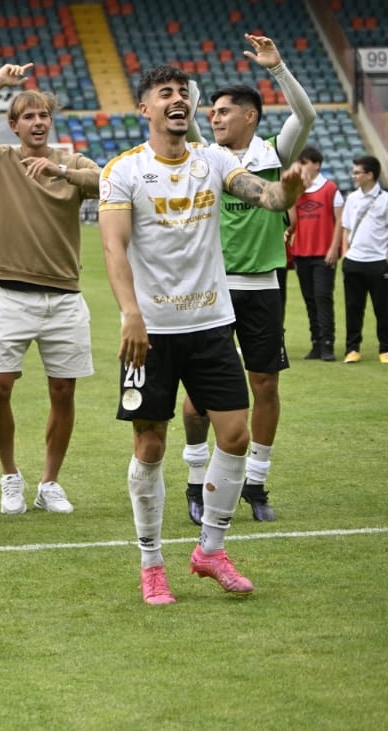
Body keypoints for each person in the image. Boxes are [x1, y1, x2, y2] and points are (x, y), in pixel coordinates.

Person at [98, 65, 301, 606]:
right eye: (164, 94)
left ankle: (210, 550)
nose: (178, 101)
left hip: (211, 325)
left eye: (182, 93)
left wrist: (287, 191)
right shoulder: (124, 171)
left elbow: (264, 196)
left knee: (234, 435)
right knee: (150, 444)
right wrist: (130, 314)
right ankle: (151, 564)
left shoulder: (214, 159)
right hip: (151, 334)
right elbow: (114, 248)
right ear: (144, 108)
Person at [0, 63, 100, 516]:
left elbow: (112, 181)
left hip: (66, 298)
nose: (37, 122)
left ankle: (50, 482)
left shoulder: (72, 163)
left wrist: (62, 172)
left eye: (42, 116)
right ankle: (10, 475)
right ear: (13, 126)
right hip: (13, 296)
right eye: (27, 116)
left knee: (63, 392)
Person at [180, 35, 315, 525]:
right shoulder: (206, 157)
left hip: (261, 287)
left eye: (224, 112)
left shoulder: (275, 151)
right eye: (210, 112)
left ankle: (255, 483)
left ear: (250, 116)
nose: (214, 118)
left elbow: (307, 116)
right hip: (210, 291)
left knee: (265, 385)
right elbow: (187, 114)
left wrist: (277, 69)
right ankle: (195, 483)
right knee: (196, 397)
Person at [288, 146, 343, 361]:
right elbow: (291, 219)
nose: (301, 166)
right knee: (310, 300)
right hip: (301, 252)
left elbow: (340, 221)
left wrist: (334, 248)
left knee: (323, 298)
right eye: (299, 162)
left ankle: (328, 344)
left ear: (317, 164)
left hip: (323, 254)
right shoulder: (297, 191)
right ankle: (316, 344)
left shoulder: (331, 188)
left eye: (305, 162)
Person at [339, 155, 388, 363]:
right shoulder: (352, 198)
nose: (354, 176)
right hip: (354, 261)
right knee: (353, 308)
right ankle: (352, 349)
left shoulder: (385, 199)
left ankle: (385, 349)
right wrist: (345, 254)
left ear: (370, 174)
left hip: (378, 261)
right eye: (354, 172)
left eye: (358, 172)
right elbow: (346, 228)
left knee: (383, 309)